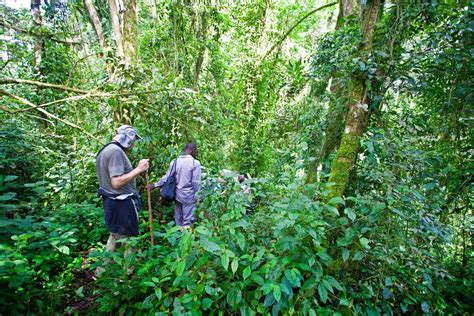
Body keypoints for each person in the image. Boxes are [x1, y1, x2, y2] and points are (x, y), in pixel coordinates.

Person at [96, 125, 149, 253]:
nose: (133, 145)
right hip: (121, 203)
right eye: (134, 141)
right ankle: (129, 270)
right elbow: (116, 182)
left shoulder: (106, 149)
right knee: (131, 239)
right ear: (129, 139)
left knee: (115, 236)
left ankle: (102, 270)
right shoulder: (116, 152)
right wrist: (139, 169)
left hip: (112, 201)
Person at [148, 142, 201, 229]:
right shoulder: (195, 163)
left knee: (178, 220)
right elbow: (196, 183)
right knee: (188, 221)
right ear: (193, 150)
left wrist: (155, 185)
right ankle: (186, 240)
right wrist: (198, 196)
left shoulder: (175, 161)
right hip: (188, 196)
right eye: (196, 151)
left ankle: (177, 238)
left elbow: (167, 177)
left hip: (176, 195)